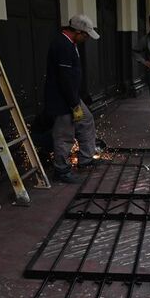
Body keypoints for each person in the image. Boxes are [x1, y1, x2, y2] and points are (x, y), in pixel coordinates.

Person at [44, 14, 100, 184]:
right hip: (62, 99)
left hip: (71, 96)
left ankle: (85, 158)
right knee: (64, 134)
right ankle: (61, 170)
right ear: (77, 31)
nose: (86, 39)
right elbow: (65, 79)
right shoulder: (62, 46)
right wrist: (74, 105)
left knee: (87, 120)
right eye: (85, 35)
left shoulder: (71, 43)